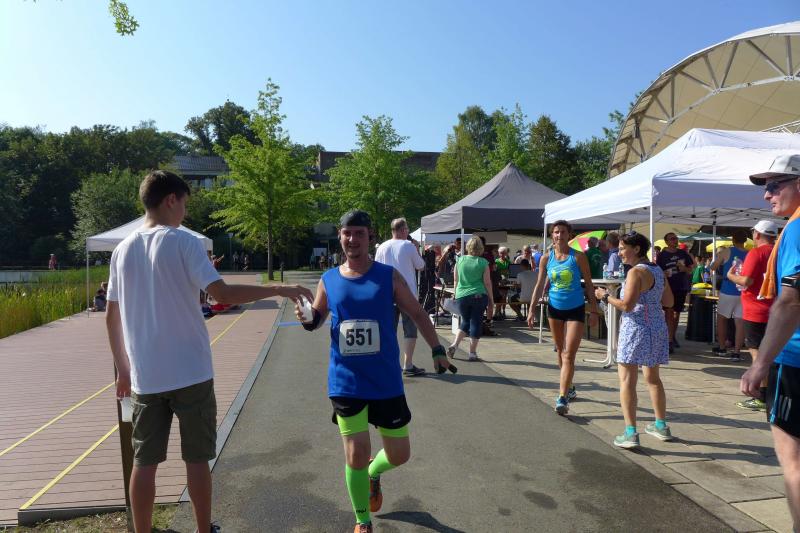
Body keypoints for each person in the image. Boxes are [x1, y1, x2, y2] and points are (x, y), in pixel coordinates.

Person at [105, 170, 312, 533]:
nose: (185, 211)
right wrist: (280, 290)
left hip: (145, 376)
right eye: (184, 203)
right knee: (197, 459)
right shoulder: (184, 243)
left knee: (144, 463)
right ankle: (203, 529)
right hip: (191, 372)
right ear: (171, 199)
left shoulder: (121, 250)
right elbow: (223, 294)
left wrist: (123, 369)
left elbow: (111, 316)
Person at [296, 210, 455, 533]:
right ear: (340, 236)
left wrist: (437, 350)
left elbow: (417, 313)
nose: (352, 239)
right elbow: (316, 319)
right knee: (355, 453)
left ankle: (373, 473)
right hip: (346, 380)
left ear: (370, 237)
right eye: (347, 233)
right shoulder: (329, 279)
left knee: (399, 454)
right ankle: (362, 520)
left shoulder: (388, 277)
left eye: (359, 233)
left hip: (385, 380)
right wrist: (306, 317)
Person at [740, 155, 800, 531]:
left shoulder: (796, 230)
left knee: (793, 461)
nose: (767, 195)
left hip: (794, 361)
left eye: (775, 185)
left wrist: (760, 363)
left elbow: (791, 300)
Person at [595, 232, 674, 448]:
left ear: (636, 249)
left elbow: (627, 306)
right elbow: (669, 301)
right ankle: (661, 425)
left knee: (627, 381)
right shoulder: (657, 270)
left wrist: (605, 296)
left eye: (622, 248)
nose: (619, 252)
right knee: (653, 379)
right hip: (656, 327)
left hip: (636, 329)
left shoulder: (635, 272)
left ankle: (630, 433)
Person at [528, 219, 600, 415]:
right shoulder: (546, 258)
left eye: (563, 232)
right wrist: (532, 309)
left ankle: (562, 397)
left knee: (569, 354)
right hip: (554, 309)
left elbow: (589, 284)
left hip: (575, 309)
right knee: (560, 351)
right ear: (552, 235)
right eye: (556, 232)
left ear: (569, 235)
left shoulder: (578, 257)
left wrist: (594, 311)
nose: (559, 235)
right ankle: (569, 386)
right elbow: (539, 284)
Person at [727, 220, 778, 410]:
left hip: (756, 310)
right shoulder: (779, 251)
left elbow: (746, 281)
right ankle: (772, 393)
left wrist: (731, 276)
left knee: (758, 354)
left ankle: (763, 396)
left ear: (757, 234)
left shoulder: (756, 253)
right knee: (772, 353)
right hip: (777, 309)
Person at [375, 217, 427, 376]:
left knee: (388, 331)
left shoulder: (382, 247)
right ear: (403, 230)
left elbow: (376, 270)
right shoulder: (408, 245)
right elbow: (421, 266)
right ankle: (408, 364)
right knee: (410, 330)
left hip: (387, 294)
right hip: (408, 295)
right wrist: (417, 249)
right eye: (407, 229)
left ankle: (390, 363)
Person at [446, 236, 493, 361]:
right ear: (481, 248)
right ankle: (472, 353)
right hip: (478, 295)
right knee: (476, 322)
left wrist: (455, 293)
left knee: (465, 321)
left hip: (462, 295)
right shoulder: (483, 262)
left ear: (468, 247)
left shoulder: (459, 260)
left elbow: (455, 280)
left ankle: (454, 345)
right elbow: (487, 283)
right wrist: (491, 298)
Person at [710, 229, 749, 359]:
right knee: (740, 323)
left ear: (733, 239)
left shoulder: (727, 251)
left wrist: (718, 260)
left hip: (727, 290)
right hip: (743, 291)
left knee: (722, 319)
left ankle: (722, 348)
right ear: (745, 240)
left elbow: (713, 267)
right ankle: (737, 352)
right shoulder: (749, 253)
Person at [656, 233, 693, 353]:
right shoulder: (662, 255)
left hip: (681, 286)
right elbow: (657, 271)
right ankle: (669, 340)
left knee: (676, 313)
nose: (675, 240)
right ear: (667, 242)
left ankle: (672, 336)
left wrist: (685, 269)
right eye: (672, 239)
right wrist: (664, 274)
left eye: (676, 238)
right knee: (669, 312)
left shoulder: (682, 253)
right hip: (668, 287)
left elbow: (691, 269)